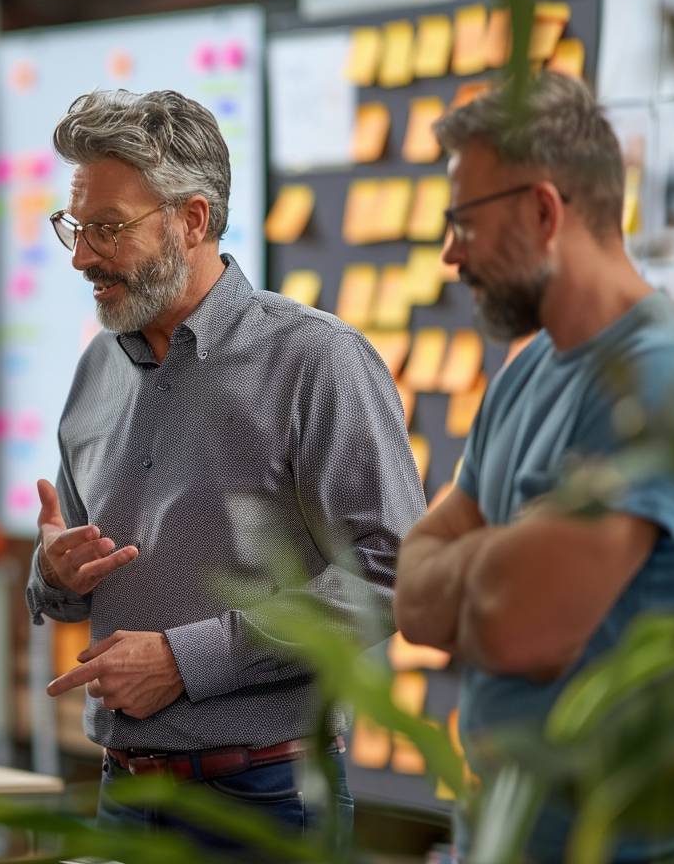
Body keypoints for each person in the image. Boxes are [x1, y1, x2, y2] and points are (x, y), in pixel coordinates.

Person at [25, 89, 425, 852]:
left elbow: (397, 574)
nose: (80, 255)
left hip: (265, 799)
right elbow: (62, 587)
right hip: (122, 792)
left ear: (193, 220)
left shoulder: (316, 361)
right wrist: (53, 573)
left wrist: (188, 660)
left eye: (107, 228)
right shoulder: (95, 369)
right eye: (74, 227)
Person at [393, 73, 674, 862]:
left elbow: (522, 626)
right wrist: (501, 560)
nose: (450, 251)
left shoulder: (659, 373)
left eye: (464, 220)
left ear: (542, 211)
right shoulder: (528, 371)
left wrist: (474, 570)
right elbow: (413, 594)